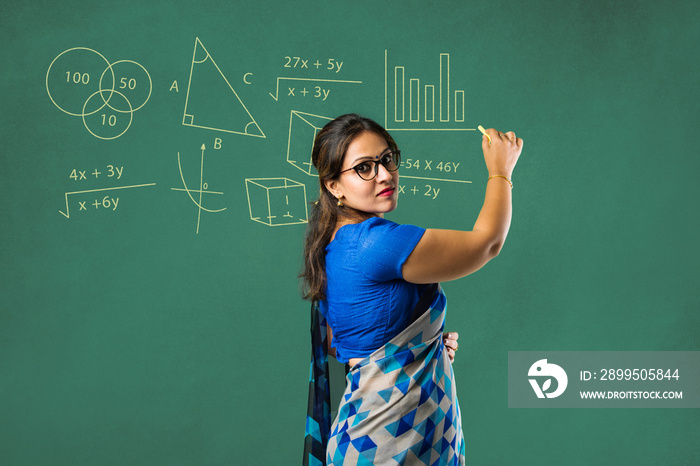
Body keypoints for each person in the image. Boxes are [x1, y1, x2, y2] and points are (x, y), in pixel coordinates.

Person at [301, 114, 523, 465]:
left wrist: (418, 350)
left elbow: (338, 342)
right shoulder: (376, 243)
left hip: (387, 438)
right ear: (333, 186)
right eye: (364, 168)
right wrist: (501, 171)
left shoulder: (334, 245)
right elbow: (487, 244)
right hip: (387, 448)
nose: (385, 174)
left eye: (387, 159)